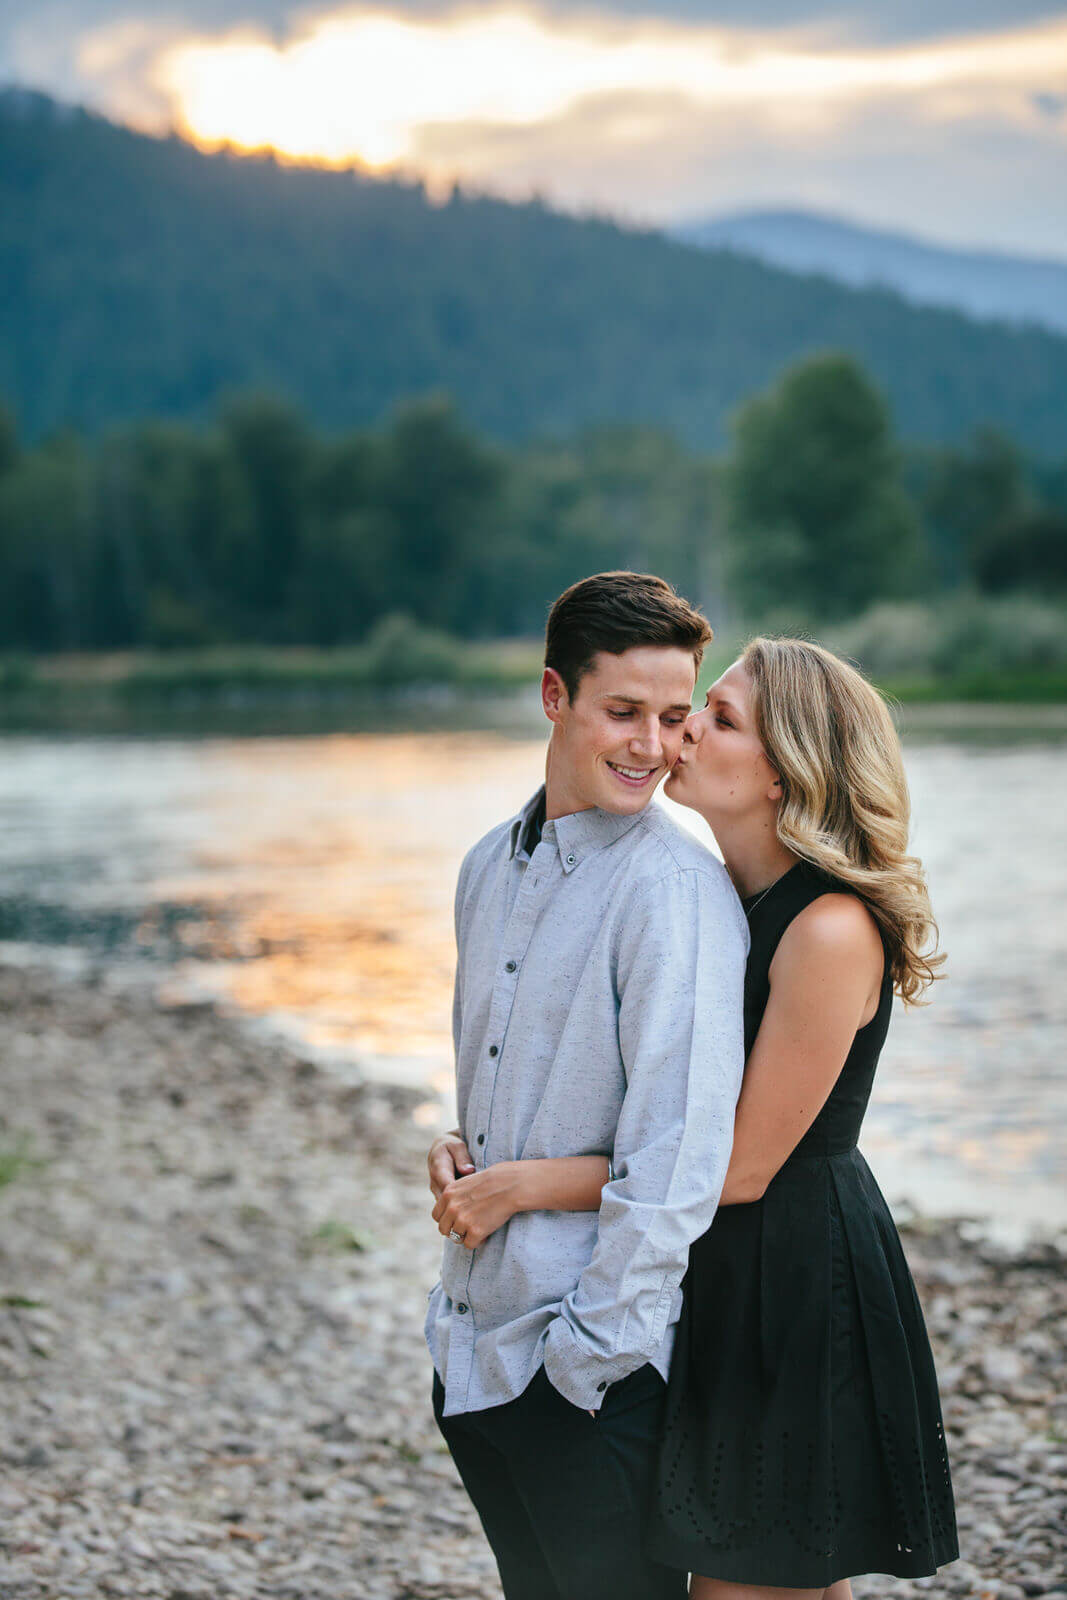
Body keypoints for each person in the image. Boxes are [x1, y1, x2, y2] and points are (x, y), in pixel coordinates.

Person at [433, 636, 959, 1595]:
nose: (676, 739)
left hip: (789, 1274)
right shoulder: (718, 895)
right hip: (706, 1265)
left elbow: (739, 1166)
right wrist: (484, 1151)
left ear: (783, 770)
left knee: (756, 1577)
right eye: (687, 713)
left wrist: (525, 1186)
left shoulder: (828, 928)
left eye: (715, 720)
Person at [424, 571, 750, 1600]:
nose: (650, 745)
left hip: (586, 1368)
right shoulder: (486, 865)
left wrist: (591, 1360)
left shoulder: (672, 890)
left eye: (670, 716)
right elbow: (501, 1071)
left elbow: (679, 1152)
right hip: (473, 1343)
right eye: (622, 711)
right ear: (553, 698)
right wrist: (463, 1146)